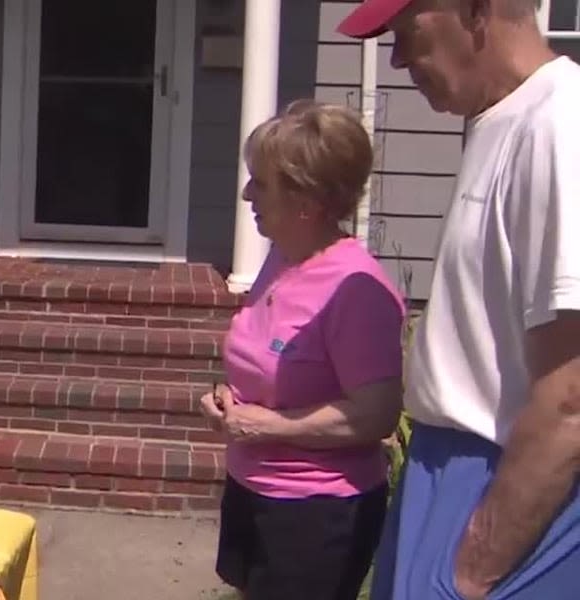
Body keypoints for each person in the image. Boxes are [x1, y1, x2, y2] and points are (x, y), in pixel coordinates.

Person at [336, 1, 580, 598]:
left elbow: (571, 397)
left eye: (407, 33)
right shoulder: (503, 119)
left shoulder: (560, 125)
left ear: (476, 10)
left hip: (505, 483)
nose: (395, 59)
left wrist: (472, 567)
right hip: (447, 472)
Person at [198, 99, 407, 600]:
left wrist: (271, 426)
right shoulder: (282, 259)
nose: (248, 193)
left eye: (261, 183)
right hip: (255, 485)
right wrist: (229, 399)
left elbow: (375, 414)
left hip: (317, 512)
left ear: (305, 201)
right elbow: (273, 362)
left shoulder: (355, 289)